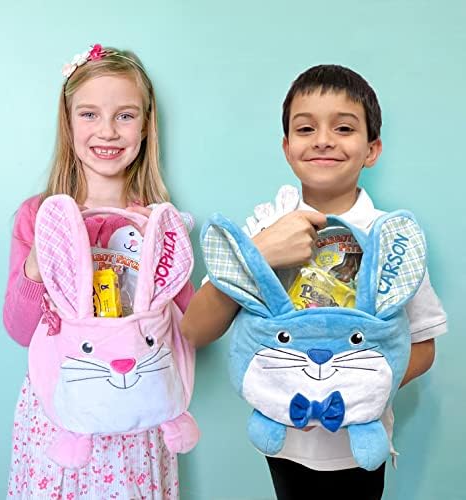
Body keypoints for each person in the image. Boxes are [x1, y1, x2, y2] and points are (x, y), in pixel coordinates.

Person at [181, 64, 447, 500]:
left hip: (361, 446)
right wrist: (260, 254)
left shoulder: (393, 239)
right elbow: (194, 329)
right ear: (287, 148)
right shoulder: (264, 227)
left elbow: (423, 346)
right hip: (283, 443)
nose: (323, 139)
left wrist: (348, 392)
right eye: (306, 129)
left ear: (372, 148)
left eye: (344, 128)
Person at [3, 44, 193, 499]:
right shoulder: (36, 216)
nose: (107, 130)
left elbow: (185, 331)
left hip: (139, 415)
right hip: (59, 416)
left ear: (145, 125)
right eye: (89, 114)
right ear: (68, 123)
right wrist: (39, 260)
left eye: (125, 115)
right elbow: (20, 330)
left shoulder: (159, 223)